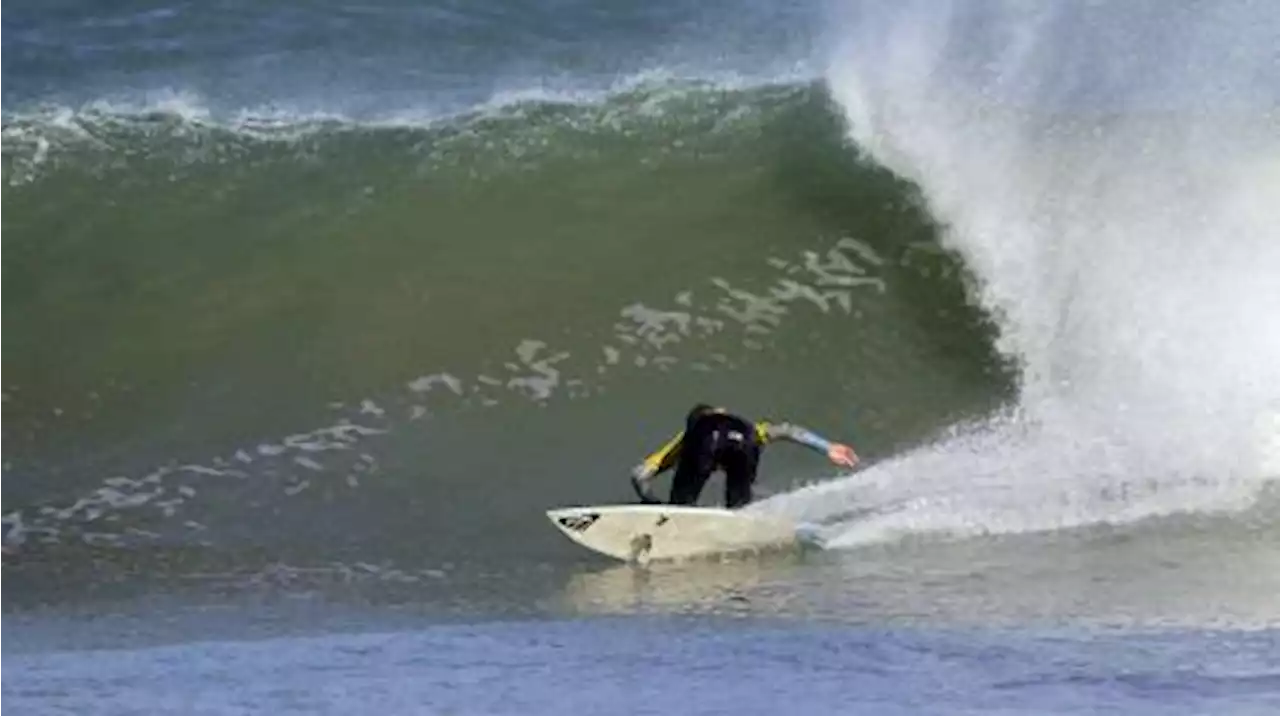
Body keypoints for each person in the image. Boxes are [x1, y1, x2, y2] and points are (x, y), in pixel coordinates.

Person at [629, 403, 859, 509]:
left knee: (680, 507)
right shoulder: (752, 426)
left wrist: (651, 502)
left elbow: (639, 475)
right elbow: (790, 431)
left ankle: (677, 514)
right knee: (739, 509)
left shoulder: (691, 433)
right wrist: (827, 447)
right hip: (746, 440)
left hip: (705, 439)